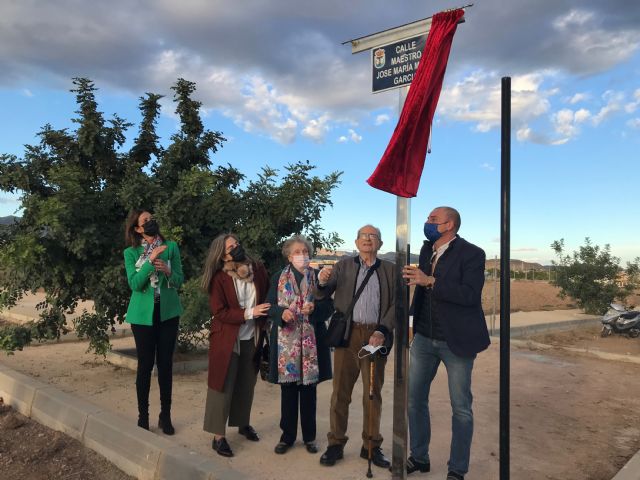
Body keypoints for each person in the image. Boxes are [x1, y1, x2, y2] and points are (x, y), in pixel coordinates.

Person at [402, 206, 490, 480]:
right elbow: (421, 295)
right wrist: (411, 327)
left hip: (456, 342)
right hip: (424, 339)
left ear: (449, 225)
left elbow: (469, 295)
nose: (427, 222)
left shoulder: (473, 254)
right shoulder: (427, 250)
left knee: (461, 408)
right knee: (415, 400)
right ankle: (419, 457)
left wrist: (429, 281)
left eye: (433, 219)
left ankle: (457, 470)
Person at [315, 225, 395, 469]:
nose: (368, 239)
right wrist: (320, 280)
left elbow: (397, 304)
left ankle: (371, 446)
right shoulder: (343, 265)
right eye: (363, 236)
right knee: (340, 392)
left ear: (380, 244)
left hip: (375, 337)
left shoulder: (391, 270)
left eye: (373, 236)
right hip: (347, 335)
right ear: (356, 242)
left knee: (372, 394)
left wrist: (382, 330)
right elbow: (322, 294)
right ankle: (336, 443)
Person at [201, 233, 270, 457]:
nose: (236, 248)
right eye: (231, 247)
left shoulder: (257, 269)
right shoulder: (219, 278)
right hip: (226, 338)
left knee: (246, 384)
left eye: (237, 244)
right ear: (222, 255)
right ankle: (217, 437)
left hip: (252, 336)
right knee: (222, 386)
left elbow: (268, 295)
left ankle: (242, 424)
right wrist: (250, 312)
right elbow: (219, 312)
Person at [266, 235, 333, 455]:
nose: (302, 256)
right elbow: (269, 307)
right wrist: (281, 313)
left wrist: (315, 311)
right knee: (288, 390)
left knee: (308, 391)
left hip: (312, 342)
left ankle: (309, 437)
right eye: (297, 252)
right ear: (288, 255)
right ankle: (287, 437)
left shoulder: (317, 278)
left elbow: (328, 308)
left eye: (305, 251)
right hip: (286, 343)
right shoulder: (278, 277)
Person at [123, 209, 183, 435]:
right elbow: (135, 284)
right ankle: (143, 416)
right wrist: (150, 261)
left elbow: (179, 279)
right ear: (138, 228)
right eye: (145, 221)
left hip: (167, 313)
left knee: (166, 365)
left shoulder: (172, 247)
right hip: (142, 317)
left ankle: (165, 416)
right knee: (145, 366)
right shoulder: (130, 253)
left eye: (151, 219)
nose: (150, 223)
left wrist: (168, 270)